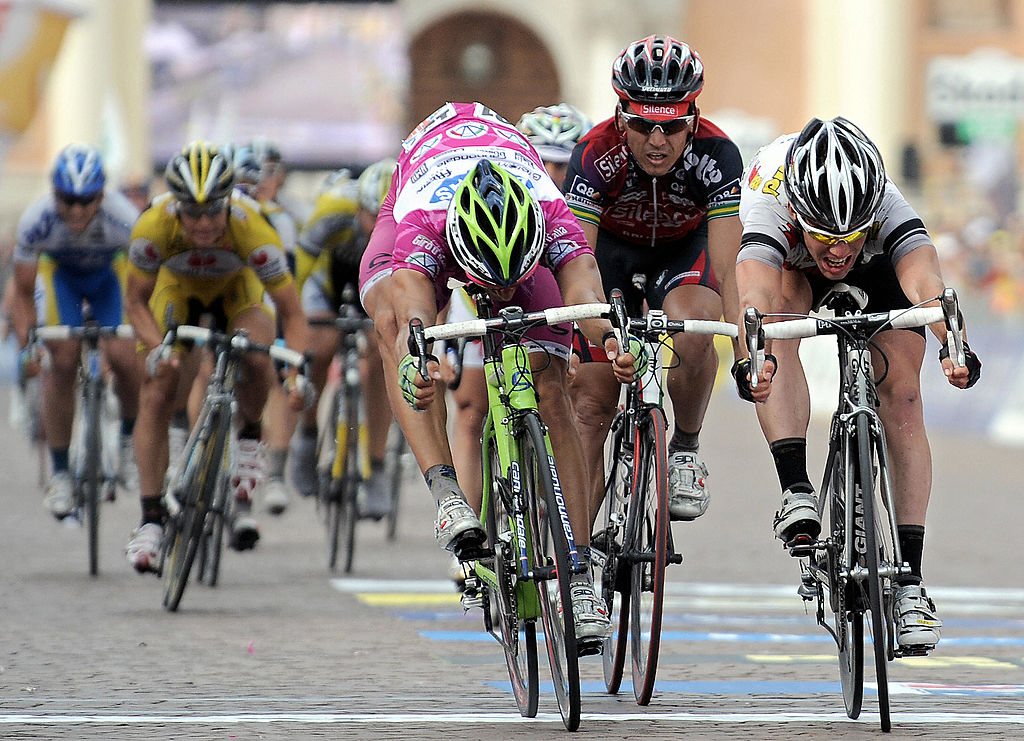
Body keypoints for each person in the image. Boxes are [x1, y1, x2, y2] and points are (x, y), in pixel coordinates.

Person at [361, 101, 639, 644]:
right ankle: (446, 494)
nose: (503, 296)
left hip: (509, 197)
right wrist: (419, 359)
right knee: (393, 324)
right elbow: (416, 309)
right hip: (426, 178)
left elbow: (583, 292)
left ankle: (578, 576)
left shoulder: (550, 210)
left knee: (551, 385)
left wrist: (609, 339)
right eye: (494, 284)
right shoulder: (424, 226)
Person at [734, 116, 981, 652]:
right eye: (827, 234)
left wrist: (950, 343)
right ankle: (796, 490)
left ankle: (911, 582)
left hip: (879, 276)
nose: (840, 249)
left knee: (905, 394)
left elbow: (924, 284)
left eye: (851, 235)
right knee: (775, 333)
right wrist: (753, 352)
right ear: (800, 213)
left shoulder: (887, 201)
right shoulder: (771, 195)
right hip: (793, 271)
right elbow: (753, 287)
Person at [563, 36, 744, 524]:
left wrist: (747, 354)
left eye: (671, 126)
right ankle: (578, 556)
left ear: (693, 116)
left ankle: (684, 448)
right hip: (611, 257)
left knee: (695, 323)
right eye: (643, 126)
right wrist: (604, 336)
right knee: (592, 400)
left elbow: (728, 270)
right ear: (621, 115)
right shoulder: (593, 153)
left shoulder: (719, 154)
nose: (657, 142)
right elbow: (577, 261)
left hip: (683, 252)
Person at [123, 140, 309, 572]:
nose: (203, 223)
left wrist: (295, 373)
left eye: (212, 212)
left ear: (229, 203)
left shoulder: (255, 229)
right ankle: (150, 519)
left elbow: (292, 314)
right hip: (178, 293)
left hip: (235, 292)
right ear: (176, 208)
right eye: (193, 212)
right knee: (157, 389)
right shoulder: (152, 227)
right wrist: (157, 349)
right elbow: (135, 302)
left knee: (257, 353)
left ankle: (248, 440)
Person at [447, 103, 593, 527]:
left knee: (567, 390)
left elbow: (583, 287)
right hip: (480, 284)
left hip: (546, 283)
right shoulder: (502, 193)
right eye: (544, 160)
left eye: (565, 164)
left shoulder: (578, 204)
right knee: (471, 405)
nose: (554, 172)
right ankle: (468, 537)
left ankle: (569, 528)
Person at [10, 144, 142, 518]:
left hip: (109, 280)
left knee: (125, 358)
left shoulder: (124, 218)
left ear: (102, 196)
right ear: (55, 195)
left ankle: (130, 441)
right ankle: (61, 473)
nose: (78, 211)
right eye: (68, 200)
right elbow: (21, 293)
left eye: (87, 201)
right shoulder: (36, 221)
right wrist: (28, 345)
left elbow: (145, 282)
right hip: (61, 280)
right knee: (62, 362)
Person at [288, 159, 397, 519]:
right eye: (372, 217)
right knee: (319, 348)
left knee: (382, 363)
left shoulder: (408, 230)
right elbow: (301, 272)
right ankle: (307, 434)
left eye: (389, 220)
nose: (379, 228)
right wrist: (303, 323)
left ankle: (376, 466)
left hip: (379, 286)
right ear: (357, 209)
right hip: (329, 283)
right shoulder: (332, 213)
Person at [234, 143, 301, 515]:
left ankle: (273, 471)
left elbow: (284, 289)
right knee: (204, 368)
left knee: (272, 369)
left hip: (260, 300)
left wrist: (281, 344)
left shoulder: (279, 220)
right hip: (218, 295)